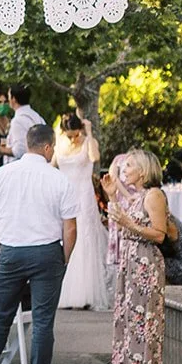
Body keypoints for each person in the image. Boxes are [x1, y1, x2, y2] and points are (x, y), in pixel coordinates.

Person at [0, 122, 79, 364]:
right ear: (48, 147)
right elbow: (71, 228)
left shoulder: (3, 174)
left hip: (12, 251)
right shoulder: (58, 179)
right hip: (47, 253)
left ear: (27, 144)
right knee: (43, 321)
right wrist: (63, 258)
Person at [104, 150, 168, 364]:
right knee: (129, 320)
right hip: (130, 261)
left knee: (143, 322)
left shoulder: (154, 196)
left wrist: (129, 225)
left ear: (143, 170)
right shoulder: (137, 196)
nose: (124, 170)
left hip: (145, 264)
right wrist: (111, 196)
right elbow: (122, 221)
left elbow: (159, 234)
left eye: (129, 166)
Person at [54, 112, 110, 309]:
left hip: (83, 194)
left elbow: (95, 157)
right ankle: (63, 291)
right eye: (69, 135)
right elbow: (52, 165)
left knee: (84, 238)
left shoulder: (87, 142)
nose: (72, 139)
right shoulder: (59, 143)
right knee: (64, 236)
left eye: (75, 134)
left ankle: (84, 292)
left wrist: (89, 132)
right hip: (64, 193)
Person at [5, 83, 44, 160]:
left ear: (13, 99)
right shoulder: (37, 117)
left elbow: (19, 151)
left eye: (9, 96)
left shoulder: (17, 121)